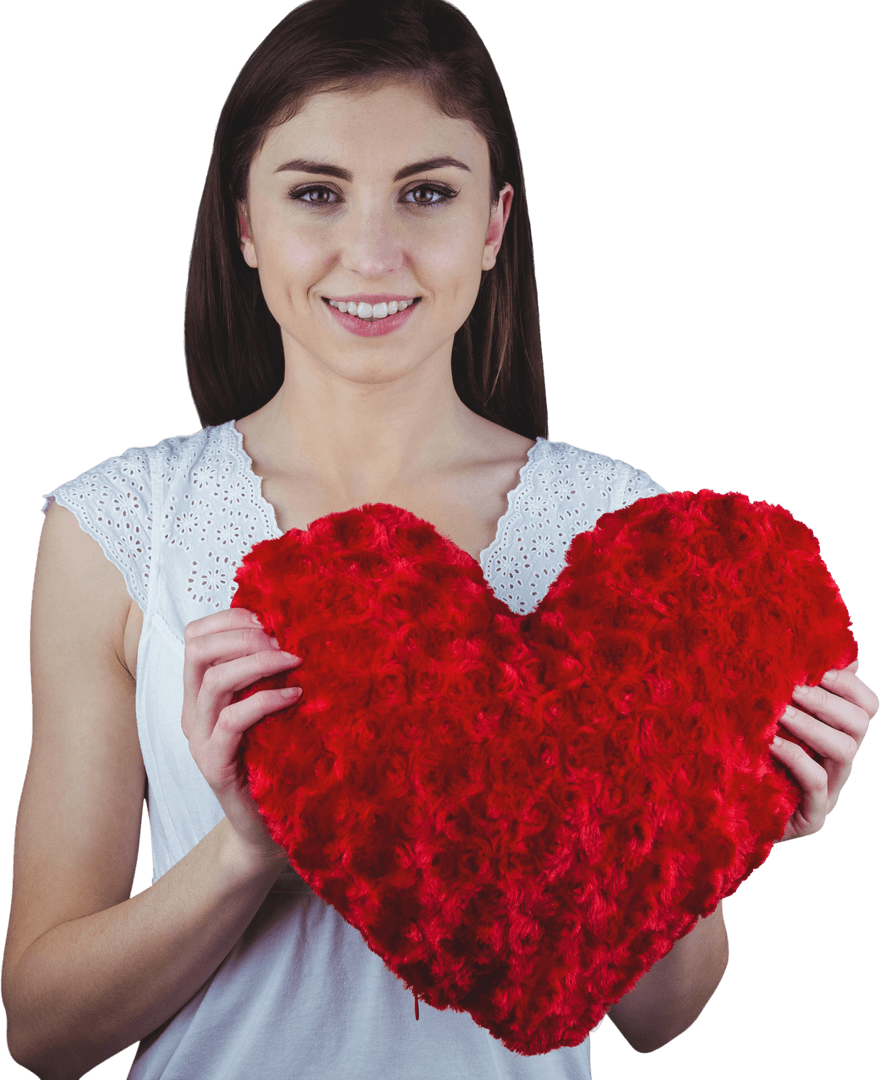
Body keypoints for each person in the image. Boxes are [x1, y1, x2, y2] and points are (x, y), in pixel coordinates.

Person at [2, 1, 877, 1077]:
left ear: (494, 224)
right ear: (243, 224)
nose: (373, 254)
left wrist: (722, 831)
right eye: (315, 193)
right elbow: (43, 1029)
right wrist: (246, 850)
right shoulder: (119, 524)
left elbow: (659, 1017)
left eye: (426, 193)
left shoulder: (625, 530)